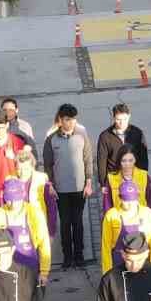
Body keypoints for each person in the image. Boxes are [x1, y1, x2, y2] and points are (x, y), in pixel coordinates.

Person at [43, 104, 94, 269]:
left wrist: (89, 182)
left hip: (79, 189)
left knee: (78, 222)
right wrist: (50, 185)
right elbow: (48, 165)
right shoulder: (51, 140)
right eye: (67, 119)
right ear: (60, 120)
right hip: (61, 191)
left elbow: (88, 160)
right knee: (65, 223)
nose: (70, 122)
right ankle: (68, 256)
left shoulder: (81, 138)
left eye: (73, 119)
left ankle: (79, 255)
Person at [0, 178, 52, 280]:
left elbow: (44, 243)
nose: (13, 204)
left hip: (30, 267)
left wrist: (44, 271)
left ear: (23, 196)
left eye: (16, 199)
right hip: (5, 270)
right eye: (9, 200)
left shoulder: (34, 213)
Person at [99, 180, 151, 273]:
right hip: (118, 264)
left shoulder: (147, 214)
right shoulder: (111, 215)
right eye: (126, 200)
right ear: (120, 198)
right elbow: (106, 247)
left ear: (138, 197)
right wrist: (107, 272)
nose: (130, 203)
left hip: (143, 264)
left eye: (133, 199)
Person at [96, 103, 149, 187]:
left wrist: (144, 176)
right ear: (113, 118)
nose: (121, 122)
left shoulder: (137, 133)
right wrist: (103, 183)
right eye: (118, 119)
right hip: (114, 178)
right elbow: (101, 161)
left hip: (135, 176)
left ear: (129, 116)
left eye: (124, 119)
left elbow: (143, 157)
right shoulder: (105, 136)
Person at [100, 148, 151, 212]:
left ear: (135, 160)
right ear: (119, 161)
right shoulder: (111, 178)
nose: (127, 164)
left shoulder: (144, 176)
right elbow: (107, 204)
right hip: (118, 219)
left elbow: (150, 201)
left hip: (140, 218)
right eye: (124, 161)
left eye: (130, 160)